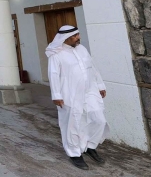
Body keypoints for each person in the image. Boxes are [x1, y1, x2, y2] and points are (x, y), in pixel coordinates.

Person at [46, 25, 109, 170]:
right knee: (73, 124)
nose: (78, 38)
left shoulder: (82, 49)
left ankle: (90, 146)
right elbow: (53, 75)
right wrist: (56, 95)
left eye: (77, 35)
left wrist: (100, 85)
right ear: (66, 38)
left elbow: (93, 67)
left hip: (89, 91)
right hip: (70, 93)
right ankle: (75, 154)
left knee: (99, 119)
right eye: (75, 36)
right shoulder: (56, 54)